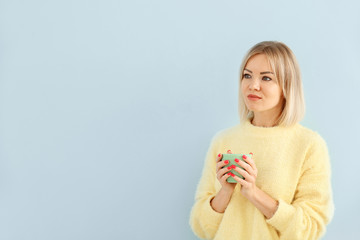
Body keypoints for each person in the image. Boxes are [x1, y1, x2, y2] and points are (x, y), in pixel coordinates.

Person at [189, 41, 334, 240]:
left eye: (266, 78)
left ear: (286, 86)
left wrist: (253, 193)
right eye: (247, 75)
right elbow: (200, 226)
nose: (253, 86)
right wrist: (225, 192)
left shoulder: (309, 145)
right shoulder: (223, 140)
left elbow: (309, 230)